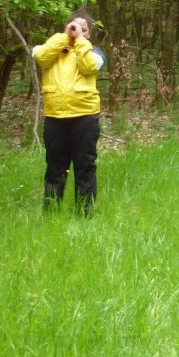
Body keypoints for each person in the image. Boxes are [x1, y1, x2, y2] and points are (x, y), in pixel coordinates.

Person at [32, 11, 105, 215]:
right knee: (55, 168)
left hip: (85, 117)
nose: (76, 31)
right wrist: (64, 37)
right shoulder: (51, 50)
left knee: (85, 166)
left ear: (88, 34)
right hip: (55, 118)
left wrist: (80, 41)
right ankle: (51, 213)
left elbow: (89, 66)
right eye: (73, 26)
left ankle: (85, 213)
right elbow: (40, 56)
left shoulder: (95, 53)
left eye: (83, 29)